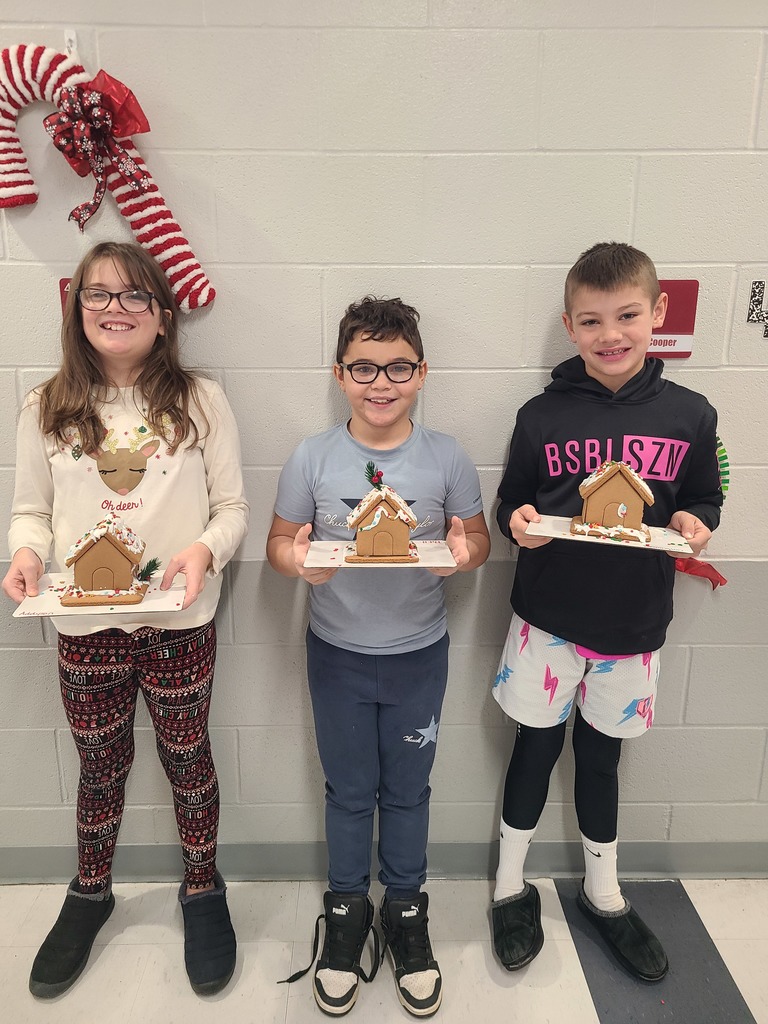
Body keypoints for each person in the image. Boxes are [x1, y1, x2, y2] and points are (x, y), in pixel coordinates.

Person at [2, 241, 249, 999]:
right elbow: (32, 511)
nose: (116, 308)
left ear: (164, 318)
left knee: (187, 758)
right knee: (100, 765)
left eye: (135, 296)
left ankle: (202, 887)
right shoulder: (46, 406)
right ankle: (90, 889)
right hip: (83, 626)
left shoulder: (200, 400)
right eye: (98, 295)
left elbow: (232, 508)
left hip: (178, 623)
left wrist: (205, 552)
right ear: (76, 313)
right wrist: (24, 555)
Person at [490, 242, 722, 982]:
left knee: (601, 761)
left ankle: (603, 892)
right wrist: (516, 521)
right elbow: (510, 502)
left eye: (626, 315)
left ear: (657, 313)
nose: (610, 333)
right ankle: (507, 888)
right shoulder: (540, 415)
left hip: (631, 630)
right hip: (546, 623)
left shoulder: (692, 414)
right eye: (591, 320)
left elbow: (705, 498)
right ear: (569, 324)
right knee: (532, 752)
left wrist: (697, 522)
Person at [267, 296, 490, 1017]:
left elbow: (478, 542)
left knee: (408, 790)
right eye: (364, 366)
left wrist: (466, 554)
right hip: (335, 656)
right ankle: (344, 908)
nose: (380, 381)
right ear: (340, 373)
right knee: (348, 790)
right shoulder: (313, 456)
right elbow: (279, 543)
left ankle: (404, 906)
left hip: (418, 657)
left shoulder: (447, 456)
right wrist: (295, 562)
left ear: (421, 373)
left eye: (397, 366)